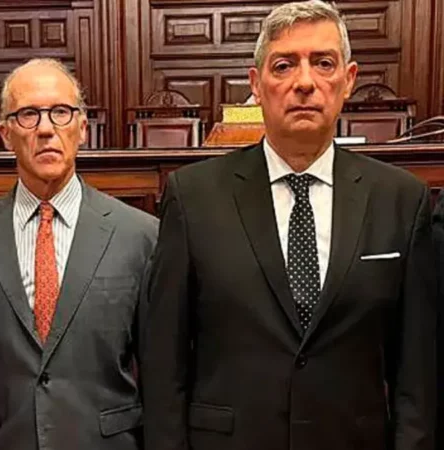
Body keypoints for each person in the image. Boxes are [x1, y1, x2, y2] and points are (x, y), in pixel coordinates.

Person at [141, 2, 436, 450]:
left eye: (323, 63)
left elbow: (417, 370)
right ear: (256, 84)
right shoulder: (193, 197)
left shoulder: (401, 199)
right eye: (284, 65)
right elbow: (165, 360)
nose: (304, 82)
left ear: (349, 80)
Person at [0, 58, 157, 450]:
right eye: (28, 114)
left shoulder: (139, 235)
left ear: (82, 128)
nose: (45, 129)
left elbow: (159, 373)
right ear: (5, 134)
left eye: (60, 112)